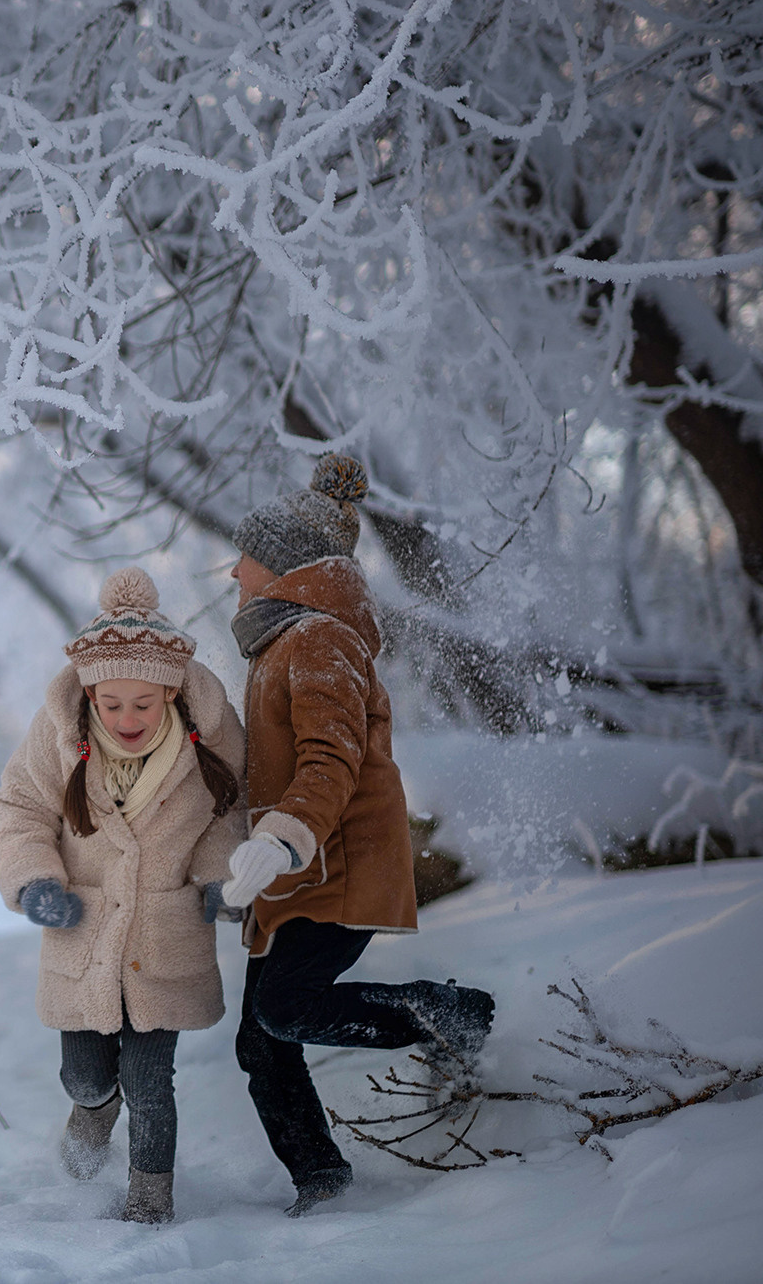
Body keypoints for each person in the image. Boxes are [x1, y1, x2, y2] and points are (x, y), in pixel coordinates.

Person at [218, 452, 496, 1217]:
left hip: (334, 867)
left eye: (241, 558)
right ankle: (321, 1177)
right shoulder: (281, 645)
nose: (231, 573)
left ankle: (452, 1013)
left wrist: (281, 839)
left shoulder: (318, 640)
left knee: (285, 1010)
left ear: (278, 566)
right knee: (260, 1042)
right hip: (296, 876)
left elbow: (331, 756)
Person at [0, 567, 247, 1224]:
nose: (127, 718)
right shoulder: (59, 741)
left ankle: (149, 1201)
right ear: (90, 696)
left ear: (170, 693)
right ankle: (93, 1107)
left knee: (150, 1083)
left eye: (144, 703)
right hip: (84, 937)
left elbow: (228, 814)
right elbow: (19, 807)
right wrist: (35, 880)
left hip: (165, 936)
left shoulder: (207, 745)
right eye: (112, 704)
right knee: (85, 1076)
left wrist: (219, 877)